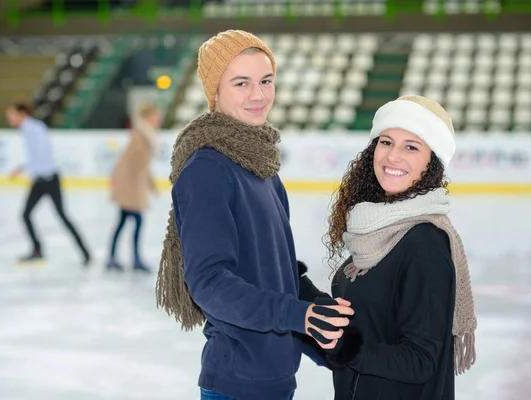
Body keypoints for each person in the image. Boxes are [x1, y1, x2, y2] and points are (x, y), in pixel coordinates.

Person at [155, 30, 354, 400]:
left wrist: (315, 308)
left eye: (266, 81)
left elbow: (273, 266)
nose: (258, 95)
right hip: (236, 383)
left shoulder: (260, 164)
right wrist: (297, 315)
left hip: (275, 378)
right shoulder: (207, 169)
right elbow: (210, 282)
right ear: (214, 91)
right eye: (241, 83)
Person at [299, 95, 478, 399]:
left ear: (431, 162)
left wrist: (346, 347)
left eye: (411, 147)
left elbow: (419, 361)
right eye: (386, 142)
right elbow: (364, 325)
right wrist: (299, 288)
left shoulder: (424, 242)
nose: (392, 156)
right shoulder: (375, 230)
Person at [6, 102, 91, 266]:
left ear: (22, 114)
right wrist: (25, 170)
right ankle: (38, 250)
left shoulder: (34, 129)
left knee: (62, 217)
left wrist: (28, 171)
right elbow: (35, 156)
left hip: (49, 180)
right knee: (26, 215)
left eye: (12, 115)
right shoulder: (29, 129)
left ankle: (85, 253)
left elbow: (41, 155)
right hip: (41, 180)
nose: (10, 118)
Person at [107, 103, 162, 272]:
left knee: (124, 221)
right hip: (130, 185)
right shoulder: (141, 135)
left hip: (132, 184)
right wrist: (137, 185)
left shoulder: (146, 134)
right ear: (147, 117)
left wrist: (150, 184)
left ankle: (113, 258)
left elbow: (143, 165)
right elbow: (131, 162)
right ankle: (134, 259)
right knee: (136, 221)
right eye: (155, 116)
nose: (158, 120)